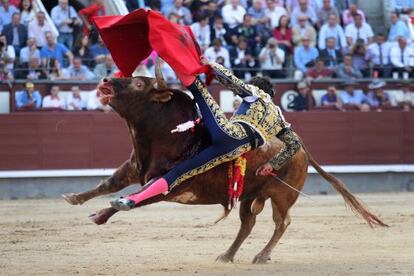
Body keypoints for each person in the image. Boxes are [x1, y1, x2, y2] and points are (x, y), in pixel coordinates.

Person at [110, 59, 301, 211]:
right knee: (182, 173)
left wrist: (212, 65)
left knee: (199, 91)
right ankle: (131, 201)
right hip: (231, 151)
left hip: (227, 133)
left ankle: (172, 54)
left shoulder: (257, 94)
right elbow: (294, 145)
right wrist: (271, 164)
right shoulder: (279, 120)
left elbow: (232, 82)